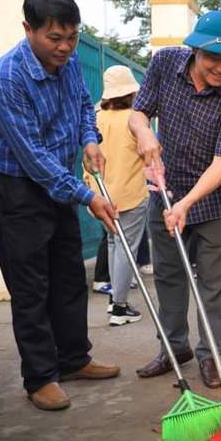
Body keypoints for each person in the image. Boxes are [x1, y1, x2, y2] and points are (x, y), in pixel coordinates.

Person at [0, 0, 121, 411]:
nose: (64, 47)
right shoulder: (5, 78)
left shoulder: (70, 61)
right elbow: (33, 156)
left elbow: (82, 104)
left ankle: (73, 359)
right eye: (54, 38)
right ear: (29, 29)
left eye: (72, 37)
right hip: (17, 189)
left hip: (57, 183)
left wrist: (89, 140)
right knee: (31, 288)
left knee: (67, 275)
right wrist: (87, 196)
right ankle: (40, 376)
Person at [128, 10, 221, 387]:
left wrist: (187, 204)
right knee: (168, 275)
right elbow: (138, 114)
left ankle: (210, 354)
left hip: (215, 200)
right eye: (215, 58)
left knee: (214, 283)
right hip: (164, 191)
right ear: (196, 50)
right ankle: (173, 348)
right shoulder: (166, 63)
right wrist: (144, 134)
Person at [86, 65, 147, 326]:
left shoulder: (94, 118)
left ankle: (115, 301)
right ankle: (119, 308)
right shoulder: (135, 119)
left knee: (113, 245)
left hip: (100, 195)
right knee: (126, 249)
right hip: (131, 194)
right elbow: (149, 152)